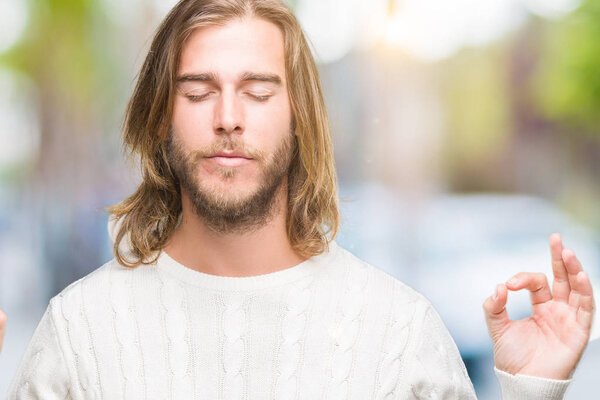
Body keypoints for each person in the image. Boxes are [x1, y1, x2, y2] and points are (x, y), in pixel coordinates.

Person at [6, 0, 595, 398]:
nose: (228, 119)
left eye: (258, 92)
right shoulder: (77, 333)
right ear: (160, 117)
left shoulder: (401, 333)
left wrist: (529, 391)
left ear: (300, 119)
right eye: (198, 91)